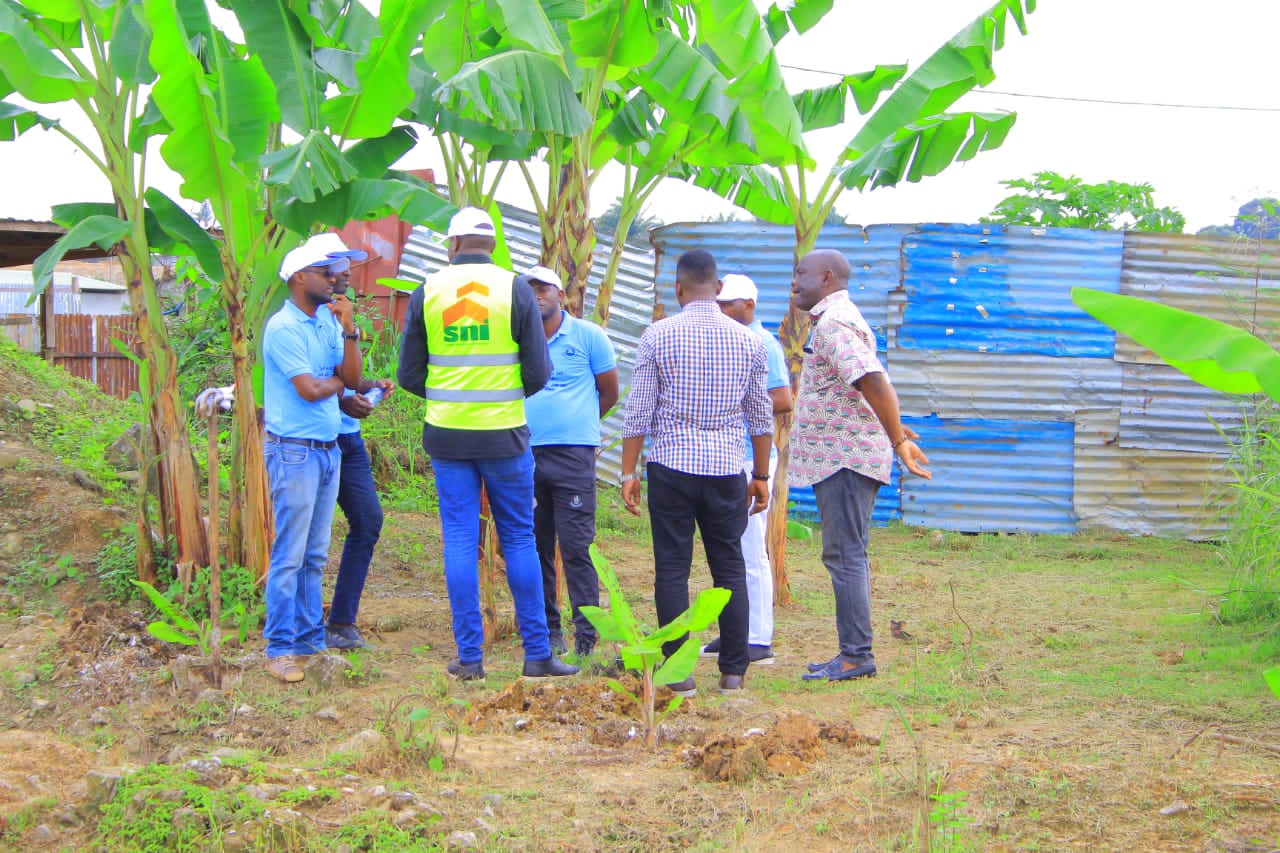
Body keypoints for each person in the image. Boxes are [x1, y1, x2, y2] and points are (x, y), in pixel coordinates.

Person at [397, 207, 579, 682]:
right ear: (492, 245)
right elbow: (539, 372)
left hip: (447, 433)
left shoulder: (427, 291)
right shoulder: (516, 288)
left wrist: (450, 395)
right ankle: (538, 654)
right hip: (505, 435)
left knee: (460, 539)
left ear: (452, 244)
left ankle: (471, 659)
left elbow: (408, 375)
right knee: (519, 537)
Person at [619, 250, 773, 696]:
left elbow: (639, 412)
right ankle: (733, 671)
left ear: (679, 288)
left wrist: (628, 472)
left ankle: (678, 670)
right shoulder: (749, 341)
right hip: (726, 469)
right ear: (719, 287)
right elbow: (761, 417)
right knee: (730, 566)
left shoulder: (658, 335)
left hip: (671, 467)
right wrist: (760, 475)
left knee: (672, 568)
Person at [788, 249, 931, 683]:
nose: (793, 281)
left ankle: (856, 656)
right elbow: (863, 387)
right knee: (846, 553)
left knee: (845, 555)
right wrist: (893, 427)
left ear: (826, 278)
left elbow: (873, 380)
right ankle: (851, 652)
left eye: (800, 273)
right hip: (840, 455)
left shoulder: (833, 324)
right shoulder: (833, 319)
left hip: (845, 458)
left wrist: (899, 438)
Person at [261, 235, 367, 683]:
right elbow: (310, 389)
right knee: (289, 553)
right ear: (299, 277)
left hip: (326, 449)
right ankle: (279, 647)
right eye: (324, 273)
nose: (334, 278)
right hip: (294, 450)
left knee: (315, 553)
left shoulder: (326, 321)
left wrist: (349, 330)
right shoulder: (283, 328)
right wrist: (338, 384)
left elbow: (352, 376)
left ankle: (309, 640)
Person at [523, 265, 619, 659]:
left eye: (544, 288)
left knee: (578, 546)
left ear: (561, 296)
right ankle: (548, 630)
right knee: (535, 545)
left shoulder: (588, 336)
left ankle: (586, 635)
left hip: (573, 456)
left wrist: (580, 428)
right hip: (524, 453)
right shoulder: (517, 339)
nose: (536, 295)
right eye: (528, 289)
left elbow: (608, 392)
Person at [307, 233, 392, 652]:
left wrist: (368, 386)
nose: (344, 275)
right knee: (308, 537)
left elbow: (348, 375)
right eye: (336, 268)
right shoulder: (301, 319)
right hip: (312, 442)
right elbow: (310, 383)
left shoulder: (337, 318)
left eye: (346, 268)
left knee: (368, 521)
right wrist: (346, 395)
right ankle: (301, 626)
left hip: (347, 440)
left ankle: (340, 621)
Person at [701, 273, 792, 665]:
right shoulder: (724, 338)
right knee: (727, 548)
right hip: (724, 454)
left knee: (750, 547)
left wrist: (729, 406)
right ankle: (733, 630)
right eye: (718, 304)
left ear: (749, 306)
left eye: (728, 305)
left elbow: (783, 398)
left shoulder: (762, 342)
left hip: (749, 457)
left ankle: (758, 636)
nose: (721, 310)